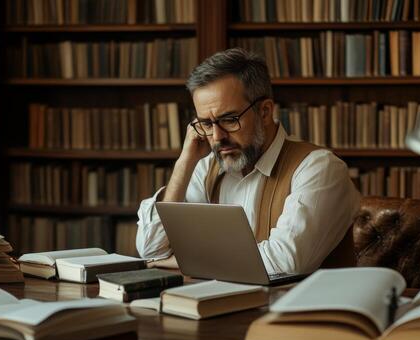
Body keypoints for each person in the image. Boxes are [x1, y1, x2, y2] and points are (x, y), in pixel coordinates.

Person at [135, 48, 361, 274]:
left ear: (264, 112)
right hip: (220, 303)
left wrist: (183, 260)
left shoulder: (318, 168)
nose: (217, 137)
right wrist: (185, 161)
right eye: (205, 123)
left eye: (229, 120)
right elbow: (152, 250)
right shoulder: (206, 168)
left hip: (302, 307)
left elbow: (286, 261)